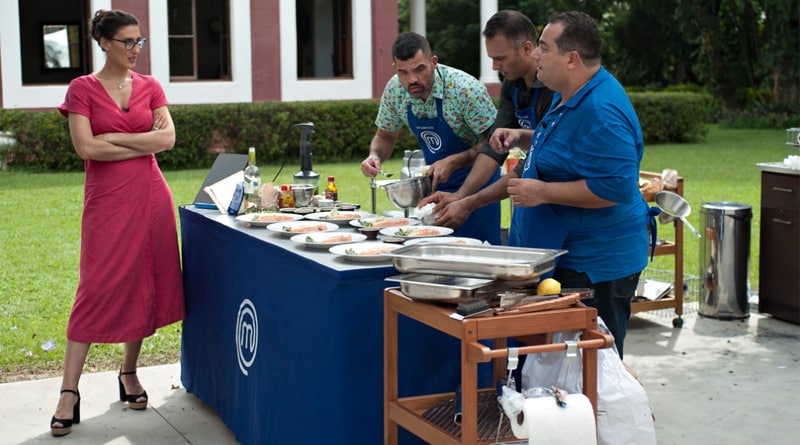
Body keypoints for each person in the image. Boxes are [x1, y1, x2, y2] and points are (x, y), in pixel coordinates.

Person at [50, 9, 185, 437]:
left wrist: (116, 138)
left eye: (139, 42)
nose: (135, 50)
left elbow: (167, 140)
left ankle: (129, 372)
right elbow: (87, 149)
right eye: (127, 42)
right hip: (108, 203)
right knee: (97, 284)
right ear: (104, 42)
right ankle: (68, 391)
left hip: (151, 197)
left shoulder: (150, 87)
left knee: (145, 277)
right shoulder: (82, 89)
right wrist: (134, 142)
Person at [492, 11, 652, 359]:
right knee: (565, 370)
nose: (535, 55)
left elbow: (616, 187)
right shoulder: (573, 92)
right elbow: (572, 147)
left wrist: (543, 192)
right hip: (571, 256)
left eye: (544, 49)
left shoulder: (602, 110)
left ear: (572, 58)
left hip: (598, 267)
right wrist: (524, 137)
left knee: (594, 371)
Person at [419, 10, 554, 231]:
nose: (494, 67)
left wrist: (470, 201)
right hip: (527, 198)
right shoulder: (512, 85)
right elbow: (494, 148)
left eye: (500, 58)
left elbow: (537, 156)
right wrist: (460, 195)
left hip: (554, 201)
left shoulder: (554, 88)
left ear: (527, 48)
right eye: (491, 58)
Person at [360, 32, 501, 244]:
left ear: (433, 62)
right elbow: (385, 136)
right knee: (439, 256)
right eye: (403, 72)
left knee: (479, 256)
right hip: (437, 189)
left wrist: (455, 161)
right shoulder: (395, 90)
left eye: (419, 69)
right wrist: (375, 155)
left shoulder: (465, 89)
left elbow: (495, 143)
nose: (412, 80)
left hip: (478, 187)